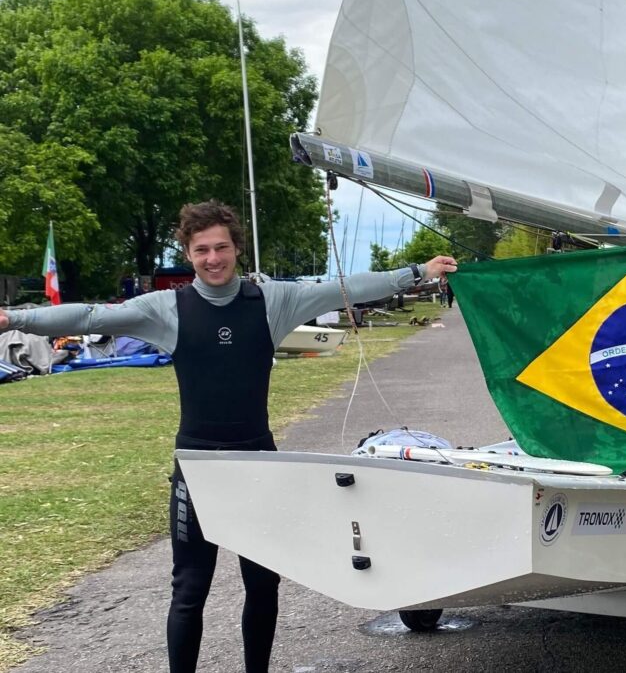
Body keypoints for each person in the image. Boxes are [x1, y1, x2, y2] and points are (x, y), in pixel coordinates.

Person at [0, 200, 458, 673]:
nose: (213, 258)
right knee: (190, 589)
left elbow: (342, 288)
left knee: (263, 584)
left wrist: (415, 271)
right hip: (198, 469)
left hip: (258, 463)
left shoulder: (272, 301)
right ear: (189, 253)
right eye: (202, 250)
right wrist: (14, 319)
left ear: (236, 248)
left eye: (221, 247)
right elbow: (92, 317)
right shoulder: (167, 308)